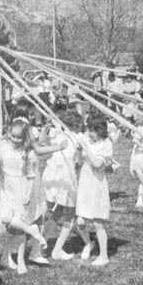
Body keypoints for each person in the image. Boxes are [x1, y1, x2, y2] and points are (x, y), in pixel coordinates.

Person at [0, 120, 48, 274]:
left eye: (19, 138)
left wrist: (27, 195)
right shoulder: (3, 147)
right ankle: (33, 232)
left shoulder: (28, 152)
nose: (15, 140)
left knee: (18, 226)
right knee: (6, 219)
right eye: (13, 136)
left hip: (21, 189)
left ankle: (18, 259)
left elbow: (31, 175)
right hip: (6, 189)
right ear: (9, 134)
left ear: (25, 138)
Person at [42, 110, 84, 260]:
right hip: (65, 179)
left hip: (51, 176)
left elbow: (43, 141)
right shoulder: (76, 137)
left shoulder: (55, 134)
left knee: (55, 212)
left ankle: (41, 244)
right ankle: (57, 250)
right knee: (71, 214)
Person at [75, 116, 113, 266]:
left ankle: (104, 256)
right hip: (85, 182)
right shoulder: (88, 141)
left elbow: (97, 164)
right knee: (80, 221)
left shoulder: (106, 144)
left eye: (93, 131)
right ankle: (88, 243)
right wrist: (79, 152)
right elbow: (80, 161)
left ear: (101, 131)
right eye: (89, 130)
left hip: (97, 183)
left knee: (98, 222)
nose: (89, 133)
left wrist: (85, 147)